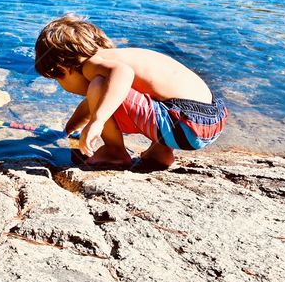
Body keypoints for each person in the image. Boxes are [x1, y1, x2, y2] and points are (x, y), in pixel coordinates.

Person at [34, 14, 228, 169]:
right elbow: (89, 106)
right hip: (211, 121)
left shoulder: (91, 65)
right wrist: (67, 131)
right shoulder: (120, 57)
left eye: (58, 80)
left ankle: (115, 152)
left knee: (101, 87)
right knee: (112, 93)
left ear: (64, 68)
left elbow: (121, 74)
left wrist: (97, 122)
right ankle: (160, 152)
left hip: (185, 126)